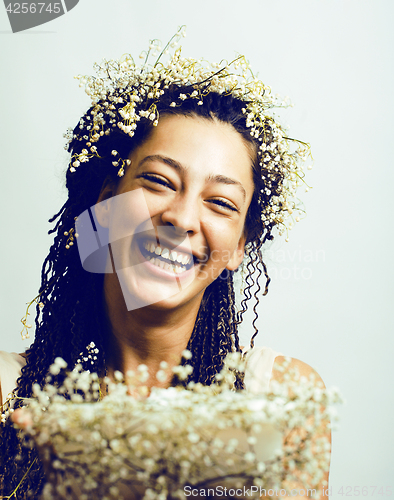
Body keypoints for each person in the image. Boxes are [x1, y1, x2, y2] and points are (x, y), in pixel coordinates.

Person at [0, 29, 329, 499]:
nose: (180, 217)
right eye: (158, 181)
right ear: (106, 206)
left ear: (238, 247)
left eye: (220, 202)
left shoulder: (281, 402)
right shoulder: (7, 398)